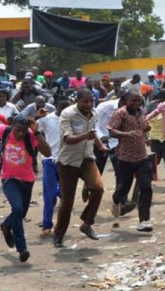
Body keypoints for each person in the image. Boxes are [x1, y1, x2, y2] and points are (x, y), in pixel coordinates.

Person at [0, 117, 51, 262]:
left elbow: (47, 152)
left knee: (20, 214)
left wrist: (37, 133)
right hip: (9, 178)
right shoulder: (4, 130)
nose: (20, 134)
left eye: (23, 131)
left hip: (27, 180)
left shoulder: (30, 135)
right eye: (17, 130)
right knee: (16, 209)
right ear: (12, 126)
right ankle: (21, 248)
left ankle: (6, 225)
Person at [53, 89, 106, 248]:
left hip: (87, 158)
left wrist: (100, 145)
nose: (88, 105)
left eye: (91, 101)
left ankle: (87, 223)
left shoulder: (94, 113)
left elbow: (92, 133)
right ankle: (58, 235)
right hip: (68, 162)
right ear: (77, 100)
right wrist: (85, 136)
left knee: (98, 188)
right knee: (67, 202)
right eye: (85, 102)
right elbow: (68, 139)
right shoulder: (67, 114)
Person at [108, 92, 154, 232]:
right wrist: (126, 134)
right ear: (126, 100)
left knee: (146, 187)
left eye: (138, 101)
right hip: (125, 157)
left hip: (142, 156)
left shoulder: (142, 112)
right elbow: (111, 131)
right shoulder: (120, 113)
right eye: (133, 101)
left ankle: (144, 220)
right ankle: (116, 200)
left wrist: (146, 130)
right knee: (124, 189)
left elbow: (143, 127)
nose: (136, 104)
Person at [37, 97, 70, 237]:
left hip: (66, 161)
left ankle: (61, 226)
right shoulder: (46, 119)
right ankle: (46, 225)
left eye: (67, 107)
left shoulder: (72, 119)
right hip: (49, 160)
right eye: (61, 107)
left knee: (66, 195)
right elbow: (32, 128)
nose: (64, 110)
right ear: (56, 106)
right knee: (49, 196)